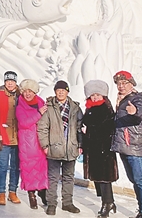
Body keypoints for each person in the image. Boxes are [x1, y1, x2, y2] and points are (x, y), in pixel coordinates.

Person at [37, 80, 83, 215]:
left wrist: (80, 145)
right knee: (53, 177)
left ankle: (67, 203)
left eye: (63, 90)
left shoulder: (75, 108)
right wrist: (45, 145)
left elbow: (80, 128)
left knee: (69, 177)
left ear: (67, 92)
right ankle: (51, 203)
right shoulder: (49, 107)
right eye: (58, 90)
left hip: (70, 148)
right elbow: (42, 128)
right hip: (54, 148)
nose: (61, 92)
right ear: (55, 92)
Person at [112, 70, 142, 218]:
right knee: (135, 180)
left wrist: (135, 111)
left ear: (132, 84)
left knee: (141, 180)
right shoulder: (121, 100)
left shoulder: (137, 98)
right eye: (119, 83)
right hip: (126, 146)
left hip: (135, 146)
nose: (121, 86)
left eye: (125, 83)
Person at [82, 79, 119, 218]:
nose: (95, 97)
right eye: (92, 95)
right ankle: (108, 201)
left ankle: (107, 203)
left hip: (103, 150)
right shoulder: (90, 108)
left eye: (97, 94)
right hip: (93, 149)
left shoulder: (105, 108)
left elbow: (106, 129)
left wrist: (88, 131)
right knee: (99, 178)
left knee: (104, 178)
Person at [16, 78, 48, 209]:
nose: (27, 94)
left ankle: (43, 191)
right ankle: (31, 194)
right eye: (25, 91)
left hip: (40, 141)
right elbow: (24, 123)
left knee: (42, 169)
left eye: (30, 91)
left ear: (35, 92)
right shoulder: (20, 106)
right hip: (27, 143)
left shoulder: (41, 103)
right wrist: (38, 113)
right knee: (29, 169)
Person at [0, 71, 22, 206]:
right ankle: (1, 192)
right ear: (4, 82)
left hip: (19, 138)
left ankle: (13, 192)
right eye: (7, 81)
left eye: (12, 81)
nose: (10, 83)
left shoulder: (21, 95)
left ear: (16, 83)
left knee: (16, 167)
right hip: (4, 137)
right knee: (3, 166)